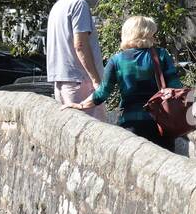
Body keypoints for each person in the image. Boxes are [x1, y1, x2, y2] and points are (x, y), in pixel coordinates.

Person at [66, 15, 183, 151]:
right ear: (147, 33)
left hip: (130, 124)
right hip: (160, 124)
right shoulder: (161, 55)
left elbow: (103, 92)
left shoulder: (117, 60)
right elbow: (176, 87)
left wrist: (80, 105)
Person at [47, 0, 106, 121]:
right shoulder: (79, 5)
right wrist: (96, 81)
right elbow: (80, 45)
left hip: (61, 82)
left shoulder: (57, 6)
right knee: (94, 135)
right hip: (81, 82)